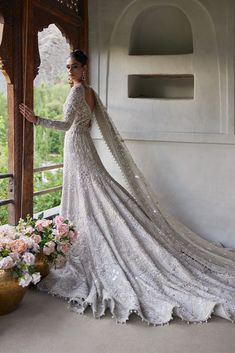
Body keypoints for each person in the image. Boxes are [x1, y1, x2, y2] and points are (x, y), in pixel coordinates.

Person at [19, 49, 235, 326]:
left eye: (74, 66)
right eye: (67, 67)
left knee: (93, 193)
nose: (69, 71)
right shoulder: (91, 92)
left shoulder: (77, 92)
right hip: (82, 145)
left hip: (76, 145)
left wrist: (37, 120)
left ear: (84, 68)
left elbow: (67, 125)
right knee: (97, 192)